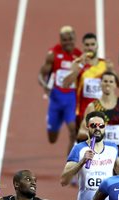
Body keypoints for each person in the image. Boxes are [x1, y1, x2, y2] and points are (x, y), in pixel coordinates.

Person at [63, 33, 119, 132]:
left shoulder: (105, 64)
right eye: (87, 45)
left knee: (102, 144)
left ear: (97, 46)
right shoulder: (77, 64)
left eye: (92, 44)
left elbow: (118, 81)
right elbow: (65, 84)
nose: (90, 48)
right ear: (83, 47)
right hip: (83, 113)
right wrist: (81, 66)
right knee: (86, 144)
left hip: (104, 111)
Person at [78, 71, 119, 162]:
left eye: (111, 82)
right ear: (101, 84)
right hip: (99, 155)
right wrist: (95, 134)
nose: (108, 84)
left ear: (115, 85)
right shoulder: (93, 107)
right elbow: (81, 132)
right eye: (105, 81)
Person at [38, 26, 82, 155]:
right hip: (56, 101)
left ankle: (70, 163)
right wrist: (44, 85)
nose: (68, 42)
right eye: (64, 40)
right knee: (52, 139)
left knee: (73, 131)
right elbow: (41, 74)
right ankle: (55, 124)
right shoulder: (53, 54)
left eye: (70, 39)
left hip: (71, 100)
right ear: (60, 40)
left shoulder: (79, 56)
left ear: (74, 39)